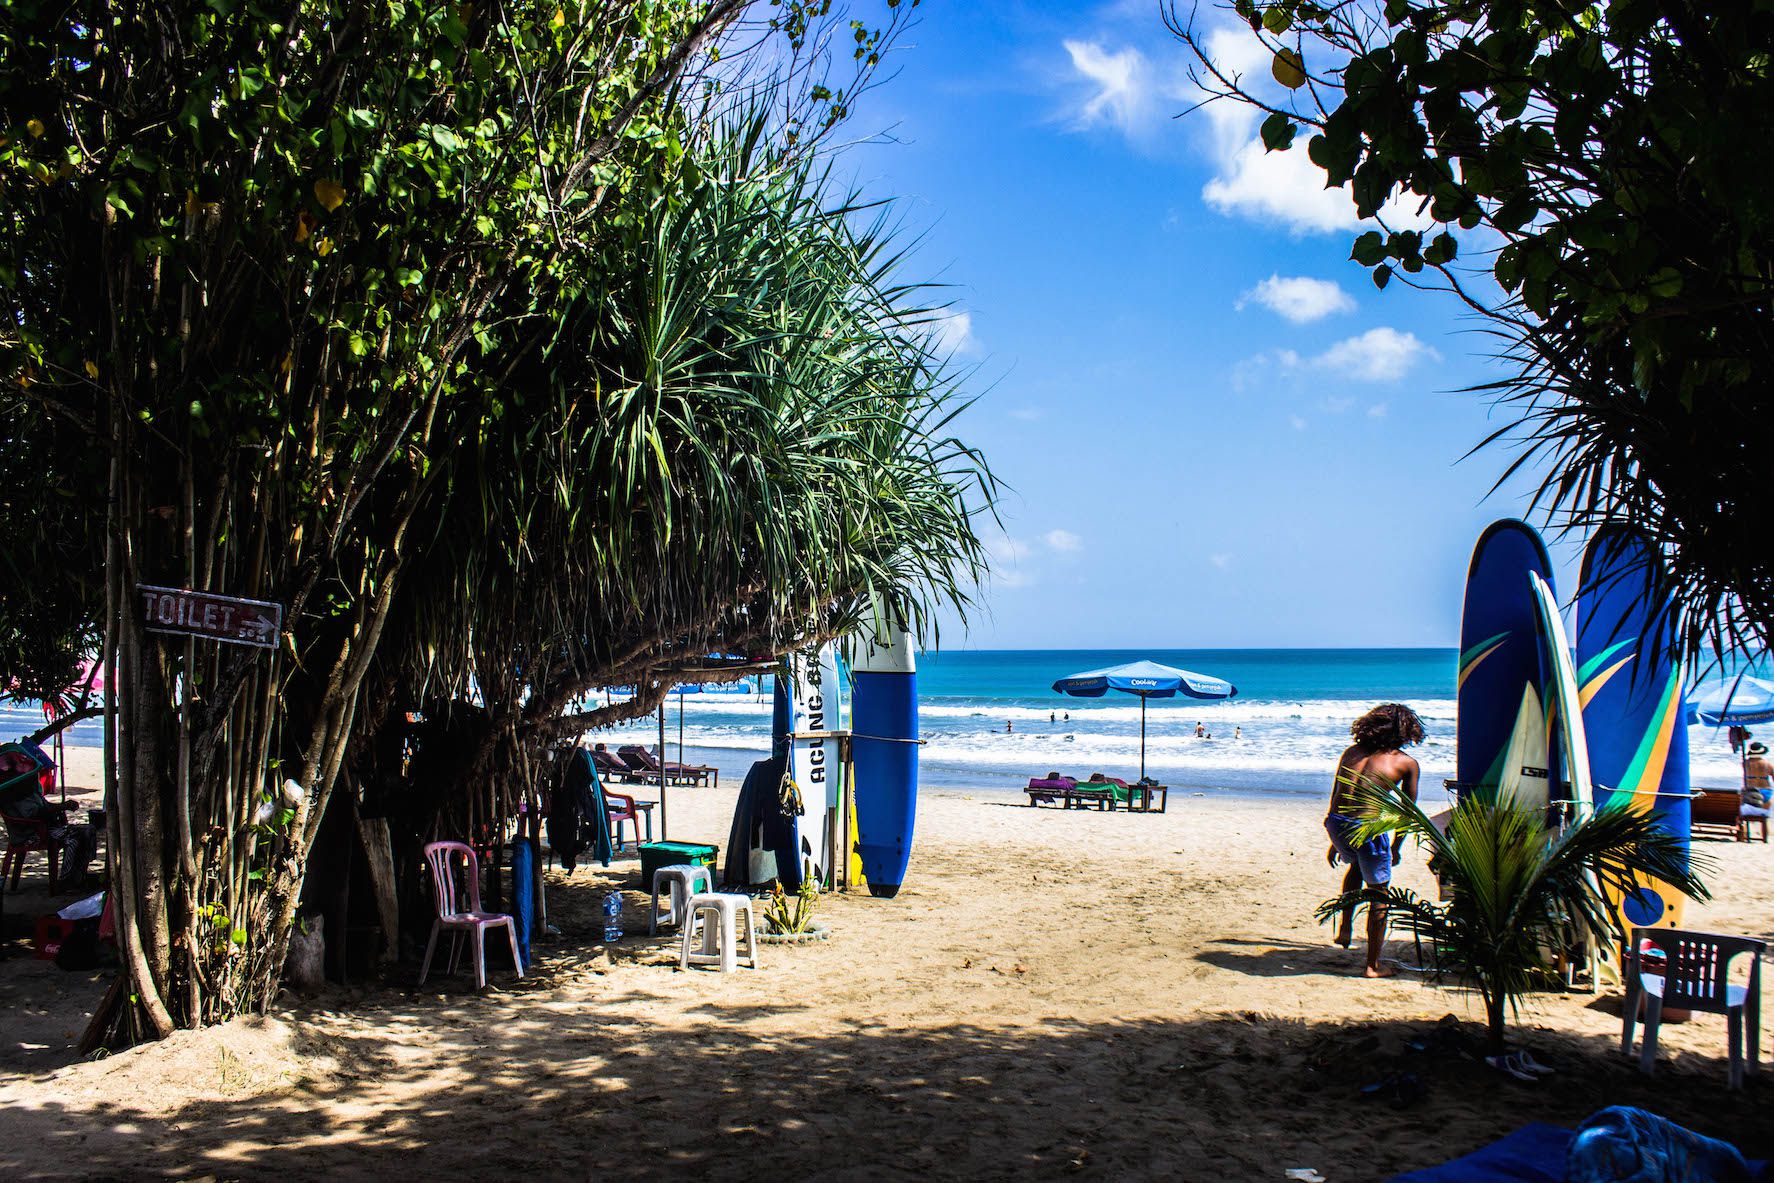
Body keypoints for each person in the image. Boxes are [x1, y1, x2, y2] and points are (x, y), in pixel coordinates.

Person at [1324, 703, 1424, 978]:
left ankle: (1345, 928)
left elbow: (1337, 792)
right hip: (1366, 829)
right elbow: (1407, 811)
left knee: (1356, 867)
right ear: (1405, 731)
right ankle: (1373, 966)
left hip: (1337, 823)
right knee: (1379, 893)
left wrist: (1335, 839)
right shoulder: (1405, 763)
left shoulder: (1352, 752)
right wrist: (1396, 847)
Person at [0, 743, 99, 890]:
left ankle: (78, 875)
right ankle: (67, 880)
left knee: (88, 830)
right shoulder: (14, 792)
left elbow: (43, 807)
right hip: (32, 833)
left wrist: (63, 806)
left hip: (41, 827)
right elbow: (36, 813)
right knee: (74, 838)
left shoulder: (27, 789)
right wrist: (63, 806)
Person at [1741, 741, 1772, 841]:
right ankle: (1765, 833)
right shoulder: (1767, 764)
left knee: (1747, 812)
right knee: (1764, 813)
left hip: (1749, 792)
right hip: (1765, 791)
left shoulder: (1745, 763)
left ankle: (1746, 832)